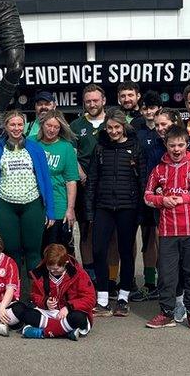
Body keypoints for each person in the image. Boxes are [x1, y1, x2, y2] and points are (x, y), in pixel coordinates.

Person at [134, 107, 190, 319]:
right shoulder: (157, 162)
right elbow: (149, 192)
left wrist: (188, 197)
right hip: (168, 225)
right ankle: (170, 308)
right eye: (172, 145)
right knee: (168, 270)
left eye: (180, 145)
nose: (176, 149)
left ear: (187, 144)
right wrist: (162, 199)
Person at [85, 109, 145, 317]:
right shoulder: (100, 148)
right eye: (109, 128)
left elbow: (142, 181)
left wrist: (140, 211)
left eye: (117, 127)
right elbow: (92, 179)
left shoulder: (135, 147)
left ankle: (123, 297)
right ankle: (102, 299)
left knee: (126, 252)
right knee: (99, 250)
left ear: (124, 127)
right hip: (103, 206)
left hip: (127, 207)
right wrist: (90, 210)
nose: (113, 131)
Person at [0, 110, 56, 287]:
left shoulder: (35, 148)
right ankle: (14, 294)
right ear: (6, 126)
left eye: (20, 124)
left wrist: (50, 210)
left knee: (33, 251)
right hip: (6, 206)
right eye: (12, 124)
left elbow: (46, 181)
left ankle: (36, 294)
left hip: (32, 204)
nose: (16, 128)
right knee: (12, 251)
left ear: (24, 126)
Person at [11, 244, 95, 340]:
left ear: (65, 263)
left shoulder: (79, 274)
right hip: (49, 313)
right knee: (26, 313)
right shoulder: (41, 273)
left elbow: (90, 298)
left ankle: (43, 333)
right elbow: (34, 296)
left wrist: (68, 307)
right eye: (50, 268)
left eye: (56, 269)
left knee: (79, 318)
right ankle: (66, 331)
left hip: (70, 312)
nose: (53, 271)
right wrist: (45, 302)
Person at [69, 84, 107, 281]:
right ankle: (90, 275)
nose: (92, 104)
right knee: (86, 230)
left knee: (112, 233)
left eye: (95, 100)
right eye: (88, 101)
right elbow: (72, 155)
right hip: (85, 186)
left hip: (109, 186)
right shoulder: (76, 126)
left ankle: (110, 276)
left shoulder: (112, 122)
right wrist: (82, 175)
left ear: (103, 101)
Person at [128, 91, 163, 303]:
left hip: (158, 194)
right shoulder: (135, 131)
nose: (149, 112)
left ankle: (152, 282)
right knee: (130, 238)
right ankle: (129, 279)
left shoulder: (164, 131)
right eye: (145, 108)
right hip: (135, 192)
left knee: (153, 239)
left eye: (152, 107)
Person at [36, 110, 78, 253]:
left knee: (56, 249)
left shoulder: (66, 147)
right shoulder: (31, 142)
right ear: (42, 125)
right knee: (38, 247)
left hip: (58, 203)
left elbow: (71, 180)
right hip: (35, 203)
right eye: (49, 125)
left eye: (56, 127)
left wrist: (70, 209)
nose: (52, 130)